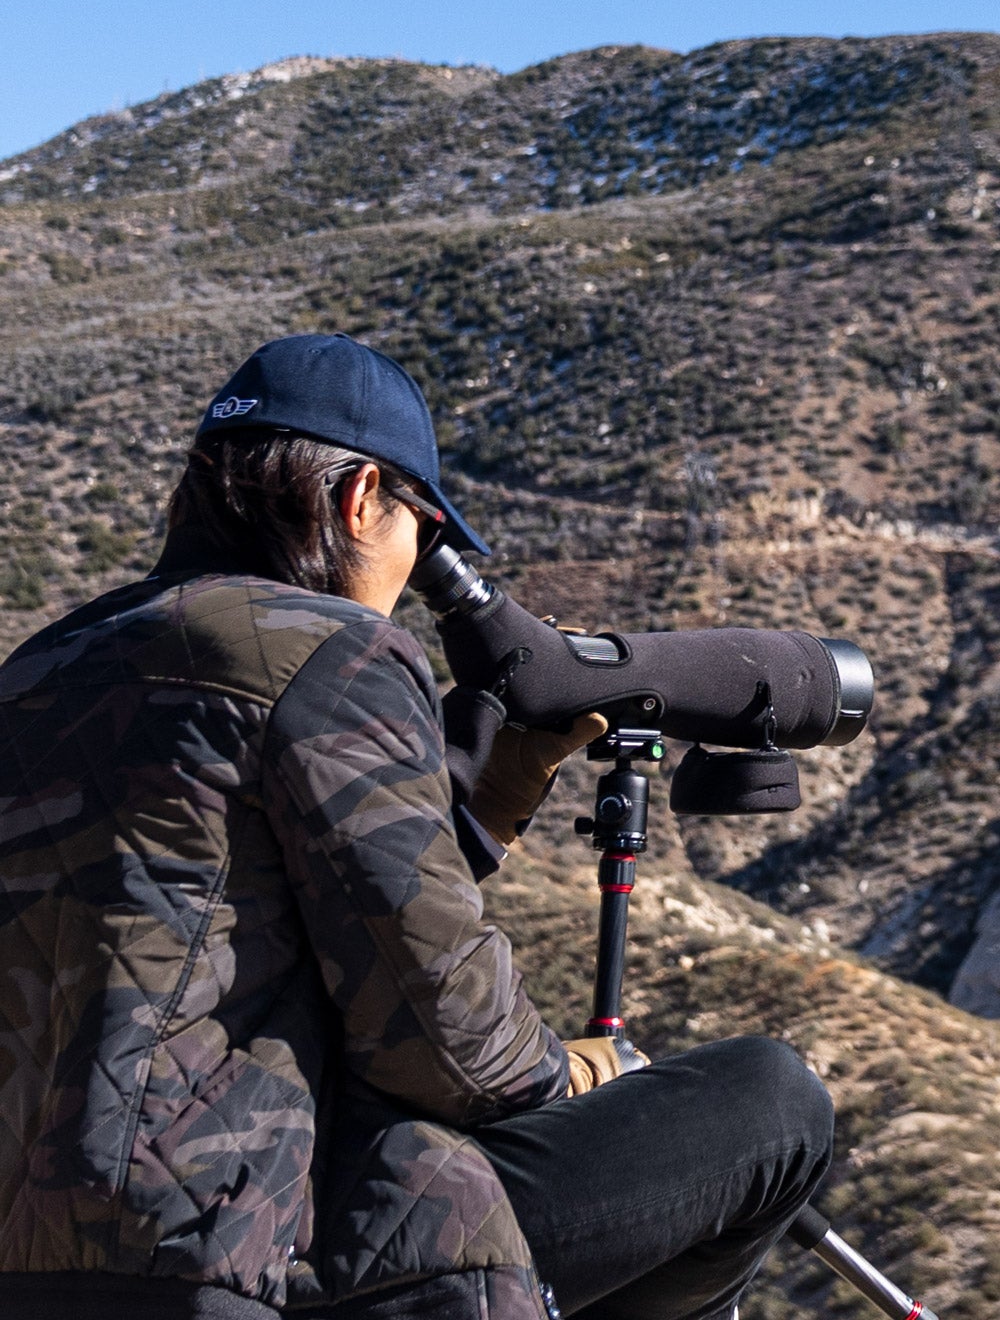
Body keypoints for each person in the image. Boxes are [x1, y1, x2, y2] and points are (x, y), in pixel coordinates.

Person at [0, 333, 834, 1320]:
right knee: (771, 1102)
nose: (411, 570)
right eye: (422, 529)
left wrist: (480, 811)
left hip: (40, 1268)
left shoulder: (35, 671)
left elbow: (218, 927)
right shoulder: (332, 652)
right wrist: (577, 1069)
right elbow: (452, 1047)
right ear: (360, 497)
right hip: (244, 1253)